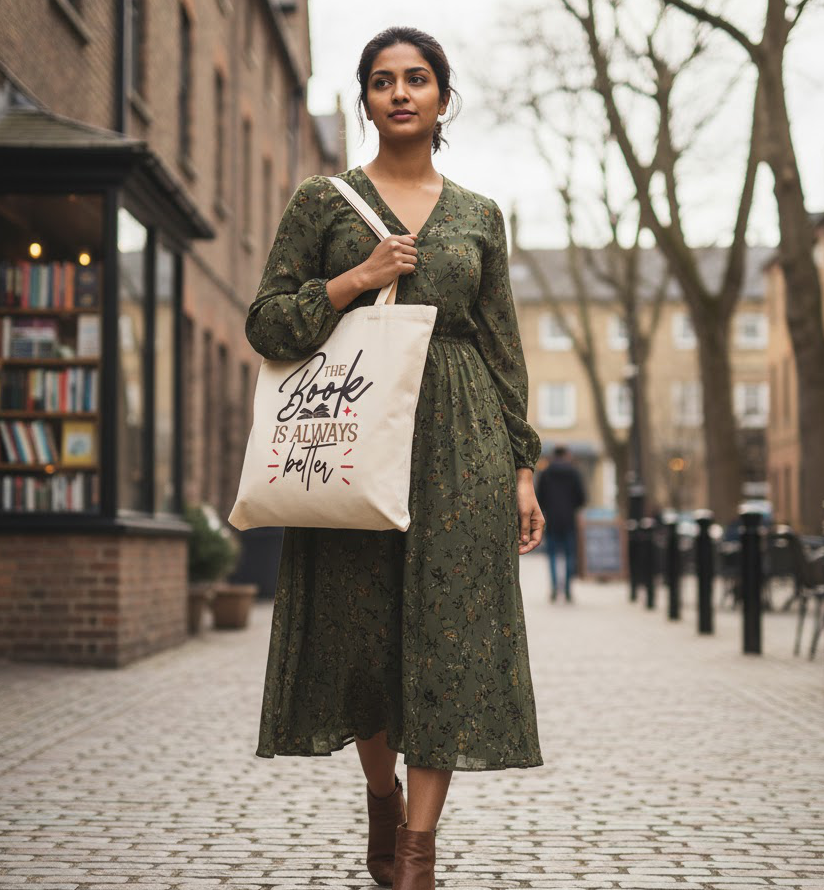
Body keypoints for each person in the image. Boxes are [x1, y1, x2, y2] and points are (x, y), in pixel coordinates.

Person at [244, 26, 545, 889]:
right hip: (351, 442)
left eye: (418, 79)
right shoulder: (322, 201)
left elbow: (503, 350)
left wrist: (522, 468)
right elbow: (267, 324)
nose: (401, 92)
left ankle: (417, 850)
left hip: (462, 447)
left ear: (443, 98)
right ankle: (382, 795)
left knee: (449, 643)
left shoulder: (480, 215)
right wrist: (352, 280)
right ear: (368, 99)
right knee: (365, 642)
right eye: (383, 81)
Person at [535, 444, 586, 603]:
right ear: (566, 455)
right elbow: (582, 498)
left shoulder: (545, 474)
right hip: (569, 520)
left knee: (552, 556)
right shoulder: (574, 473)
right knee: (570, 555)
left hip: (552, 520)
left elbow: (539, 498)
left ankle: (554, 588)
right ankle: (568, 590)